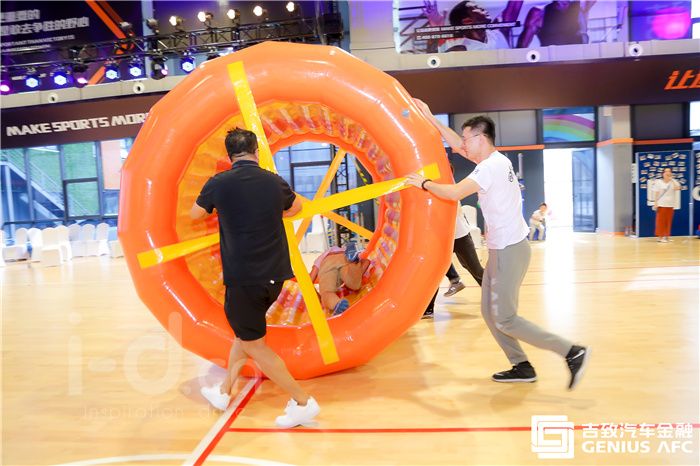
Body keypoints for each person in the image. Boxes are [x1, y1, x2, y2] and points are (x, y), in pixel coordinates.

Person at [407, 102, 590, 390]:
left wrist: (424, 183)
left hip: (508, 250)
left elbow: (454, 193)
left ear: (481, 138)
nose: (463, 144)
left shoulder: (489, 168)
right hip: (501, 250)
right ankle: (522, 365)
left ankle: (571, 351)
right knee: (490, 313)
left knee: (506, 317)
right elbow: (457, 146)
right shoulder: (496, 161)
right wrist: (431, 118)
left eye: (467, 138)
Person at [192, 128, 320, 427]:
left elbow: (195, 214)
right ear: (256, 151)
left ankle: (302, 402)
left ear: (229, 155)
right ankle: (224, 392)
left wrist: (222, 204)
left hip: (244, 278)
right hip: (275, 276)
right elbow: (297, 207)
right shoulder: (273, 181)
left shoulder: (219, 183)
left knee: (253, 344)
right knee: (245, 335)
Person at [423, 197, 484, 318]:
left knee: (474, 269)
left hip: (460, 236)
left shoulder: (447, 190)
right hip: (440, 238)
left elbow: (457, 207)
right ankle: (428, 309)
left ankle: (495, 294)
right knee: (435, 272)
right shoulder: (427, 192)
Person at [422, 0, 523, 52]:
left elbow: (515, 4)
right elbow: (432, 60)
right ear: (467, 20)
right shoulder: (459, 47)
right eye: (476, 7)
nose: (483, 8)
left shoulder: (499, 33)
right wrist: (435, 29)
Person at [309, 242, 370, 315]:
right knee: (354, 284)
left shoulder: (321, 257)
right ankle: (353, 263)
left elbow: (309, 281)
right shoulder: (343, 252)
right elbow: (367, 262)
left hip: (326, 263)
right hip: (344, 258)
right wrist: (358, 274)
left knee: (327, 292)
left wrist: (320, 297)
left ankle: (337, 304)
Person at [517, 0, 597, 48]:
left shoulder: (580, 6)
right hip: (552, 65)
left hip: (578, 63)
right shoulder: (538, 13)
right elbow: (522, 47)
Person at [649, 167, 681, 243]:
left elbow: (678, 188)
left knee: (668, 221)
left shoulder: (673, 182)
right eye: (666, 171)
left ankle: (666, 236)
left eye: (669, 171)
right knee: (660, 221)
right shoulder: (658, 182)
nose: (667, 173)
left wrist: (672, 180)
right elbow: (656, 192)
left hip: (670, 204)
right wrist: (655, 203)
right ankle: (660, 237)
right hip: (661, 204)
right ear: (662, 173)